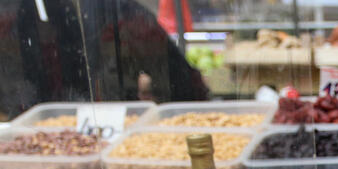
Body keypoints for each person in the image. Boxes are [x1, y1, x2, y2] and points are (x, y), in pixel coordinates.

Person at [0, 0, 209, 121]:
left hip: (118, 133)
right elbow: (191, 88)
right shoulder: (13, 20)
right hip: (35, 141)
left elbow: (188, 88)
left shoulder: (121, 13)